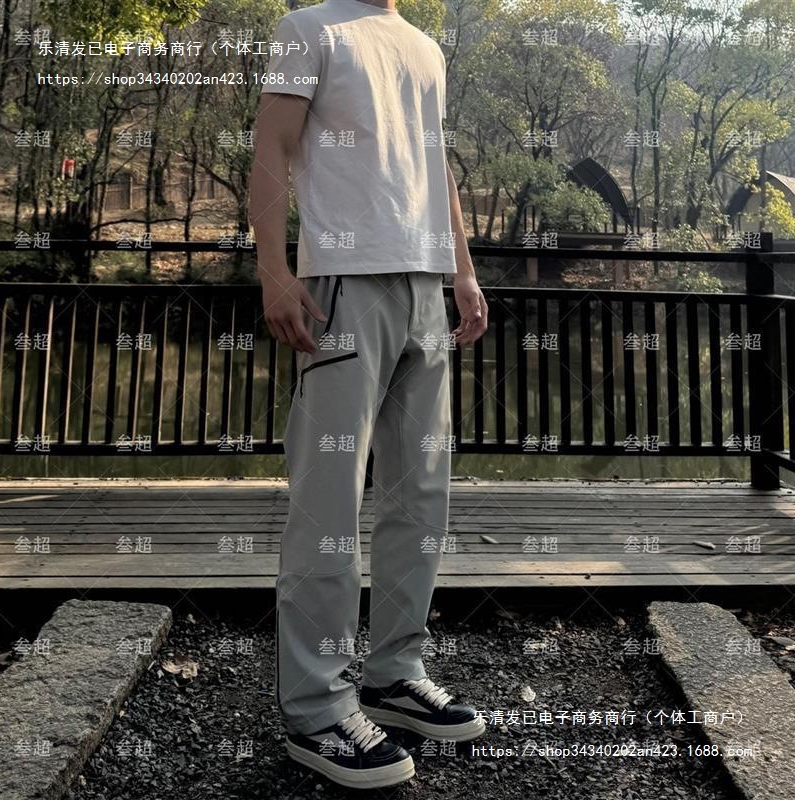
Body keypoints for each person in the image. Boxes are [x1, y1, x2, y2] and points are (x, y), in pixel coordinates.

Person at [249, 0, 488, 789]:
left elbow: (436, 164)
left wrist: (462, 270)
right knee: (329, 498)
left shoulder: (424, 47)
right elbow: (272, 145)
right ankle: (316, 709)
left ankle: (393, 672)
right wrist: (275, 271)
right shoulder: (310, 29)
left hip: (425, 285)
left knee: (421, 495)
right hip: (343, 283)